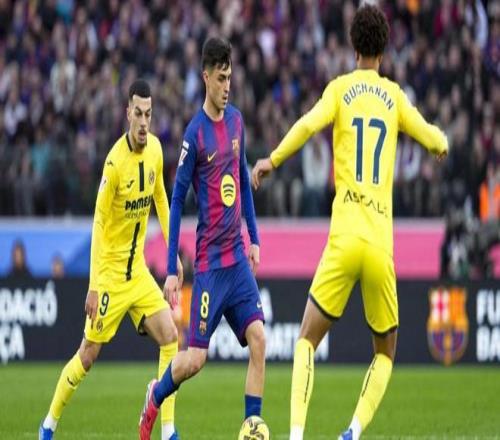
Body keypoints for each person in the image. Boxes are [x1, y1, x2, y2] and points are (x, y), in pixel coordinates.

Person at [252, 5, 448, 440]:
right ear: (384, 49)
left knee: (306, 340)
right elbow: (431, 135)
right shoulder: (395, 97)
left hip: (343, 239)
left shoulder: (340, 89)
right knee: (386, 352)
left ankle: (296, 436)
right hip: (379, 244)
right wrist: (442, 143)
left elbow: (307, 126)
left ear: (353, 46)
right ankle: (353, 432)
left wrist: (272, 160)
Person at [39, 79, 183, 440]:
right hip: (110, 278)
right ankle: (48, 426)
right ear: (127, 113)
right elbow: (99, 223)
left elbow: (161, 200)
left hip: (139, 274)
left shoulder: (155, 151)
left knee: (171, 337)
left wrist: (173, 254)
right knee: (87, 355)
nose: (144, 122)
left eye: (149, 114)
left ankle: (168, 430)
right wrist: (94, 284)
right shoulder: (114, 163)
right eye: (138, 114)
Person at [139, 37, 265, 440]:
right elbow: (176, 200)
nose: (227, 86)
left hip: (237, 261)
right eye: (221, 78)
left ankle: (251, 427)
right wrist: (172, 267)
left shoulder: (237, 122)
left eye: (231, 77)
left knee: (259, 340)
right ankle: (155, 395)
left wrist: (254, 237)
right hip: (209, 267)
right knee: (195, 359)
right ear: (206, 77)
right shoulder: (194, 135)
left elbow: (243, 182)